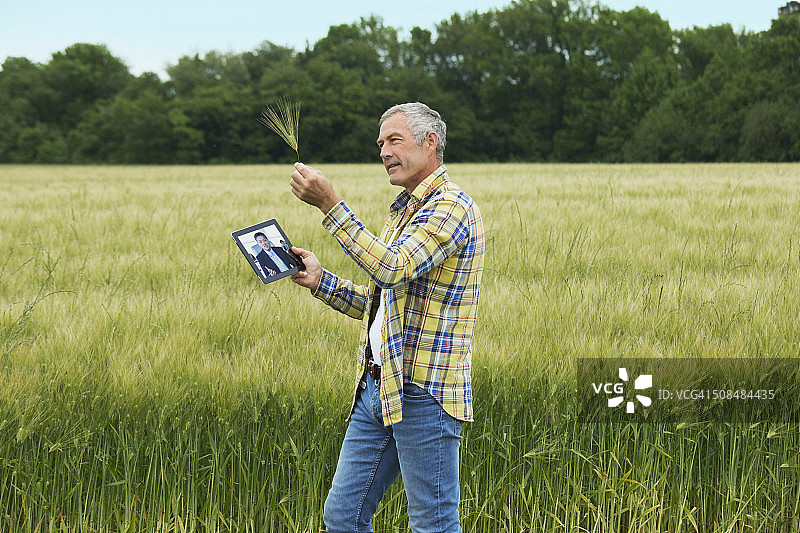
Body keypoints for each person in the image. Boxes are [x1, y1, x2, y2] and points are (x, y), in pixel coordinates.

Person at [288, 102, 484, 532]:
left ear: (430, 142)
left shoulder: (451, 208)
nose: (383, 151)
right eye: (380, 143)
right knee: (343, 517)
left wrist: (330, 205)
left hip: (422, 394)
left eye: (394, 140)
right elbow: (383, 307)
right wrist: (321, 281)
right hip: (378, 388)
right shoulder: (403, 209)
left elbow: (390, 267)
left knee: (433, 524)